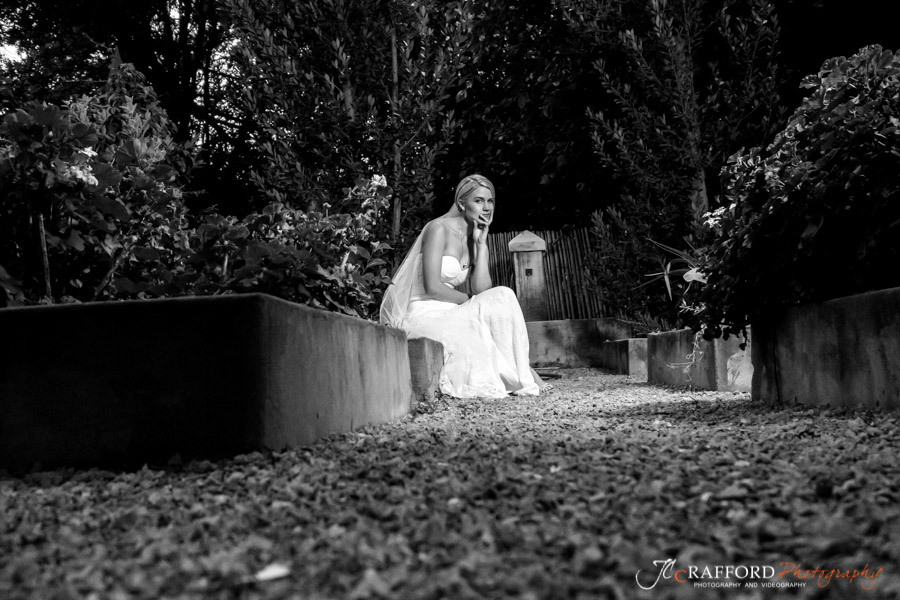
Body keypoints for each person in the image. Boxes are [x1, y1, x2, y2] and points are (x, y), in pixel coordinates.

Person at [380, 174, 542, 398]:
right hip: (424, 311)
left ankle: (521, 371)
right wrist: (468, 302)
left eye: (490, 201)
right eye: (479, 200)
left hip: (451, 309)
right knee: (477, 331)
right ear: (461, 203)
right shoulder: (438, 229)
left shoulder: (474, 236)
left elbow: (482, 292)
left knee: (504, 295)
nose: (487, 208)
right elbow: (432, 286)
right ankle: (520, 374)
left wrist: (481, 245)